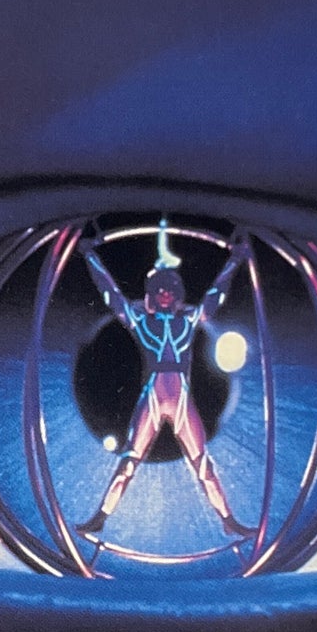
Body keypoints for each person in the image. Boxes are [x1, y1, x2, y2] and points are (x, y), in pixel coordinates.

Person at [80, 223, 250, 537]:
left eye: (170, 289)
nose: (165, 294)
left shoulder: (189, 319)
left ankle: (228, 520)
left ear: (178, 292)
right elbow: (110, 293)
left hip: (180, 396)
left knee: (203, 465)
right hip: (155, 394)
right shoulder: (140, 320)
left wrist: (236, 260)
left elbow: (217, 293)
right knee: (129, 462)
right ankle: (101, 517)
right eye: (160, 289)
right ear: (152, 293)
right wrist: (89, 256)